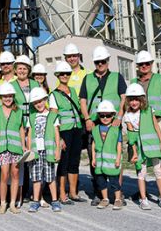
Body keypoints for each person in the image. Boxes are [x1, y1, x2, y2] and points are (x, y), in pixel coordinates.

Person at [80, 46, 127, 204]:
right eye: (97, 62)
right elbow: (83, 100)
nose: (100, 64)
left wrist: (119, 116)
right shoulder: (88, 78)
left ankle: (117, 193)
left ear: (108, 61)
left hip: (113, 122)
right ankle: (100, 193)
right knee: (96, 158)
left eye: (103, 61)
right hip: (94, 123)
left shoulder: (117, 77)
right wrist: (87, 119)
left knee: (115, 158)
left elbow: (123, 98)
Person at [131, 50, 161, 195]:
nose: (144, 66)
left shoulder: (159, 79)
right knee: (140, 158)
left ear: (151, 64)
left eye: (147, 63)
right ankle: (142, 191)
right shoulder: (134, 82)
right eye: (141, 64)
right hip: (138, 124)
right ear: (137, 65)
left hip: (158, 122)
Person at [123, 83, 161, 210]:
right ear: (128, 100)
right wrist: (135, 153)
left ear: (142, 99)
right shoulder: (128, 116)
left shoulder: (149, 111)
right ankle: (143, 199)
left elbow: (156, 127)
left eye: (136, 99)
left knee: (158, 171)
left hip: (153, 146)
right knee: (141, 173)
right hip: (139, 148)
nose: (134, 102)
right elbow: (131, 137)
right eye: (131, 99)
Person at [51, 61, 83, 205]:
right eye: (62, 73)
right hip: (64, 131)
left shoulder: (73, 91)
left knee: (74, 161)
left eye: (67, 73)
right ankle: (62, 193)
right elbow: (53, 118)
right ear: (57, 75)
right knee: (63, 163)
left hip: (76, 129)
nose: (65, 76)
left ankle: (73, 192)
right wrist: (60, 139)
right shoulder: (54, 95)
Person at [26, 88, 62, 213]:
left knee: (50, 177)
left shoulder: (53, 116)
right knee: (36, 178)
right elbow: (29, 134)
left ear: (45, 100)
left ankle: (55, 201)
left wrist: (57, 150)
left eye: (40, 101)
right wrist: (29, 150)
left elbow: (57, 134)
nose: (38, 104)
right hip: (36, 152)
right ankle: (35, 201)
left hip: (49, 151)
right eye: (35, 103)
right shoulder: (31, 117)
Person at [9, 54, 38, 205]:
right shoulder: (11, 86)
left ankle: (36, 191)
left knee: (34, 157)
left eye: (24, 68)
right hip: (19, 125)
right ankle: (22, 191)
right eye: (19, 68)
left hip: (33, 123)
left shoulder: (35, 85)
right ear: (15, 70)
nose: (21, 71)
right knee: (20, 159)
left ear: (28, 69)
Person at [0, 82, 26, 214]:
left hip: (16, 147)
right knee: (4, 175)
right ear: (0, 97)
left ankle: (12, 203)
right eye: (5, 96)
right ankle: (3, 203)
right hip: (3, 147)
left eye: (10, 96)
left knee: (15, 174)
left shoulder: (19, 111)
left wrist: (23, 145)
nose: (7, 99)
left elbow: (21, 129)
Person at [91, 100, 122, 210]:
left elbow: (119, 144)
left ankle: (118, 199)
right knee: (101, 181)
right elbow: (94, 144)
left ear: (113, 115)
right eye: (102, 115)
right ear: (98, 115)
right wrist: (93, 158)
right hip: (99, 161)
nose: (105, 118)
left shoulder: (115, 129)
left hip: (112, 161)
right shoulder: (95, 129)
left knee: (114, 181)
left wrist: (118, 158)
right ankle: (105, 199)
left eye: (108, 115)